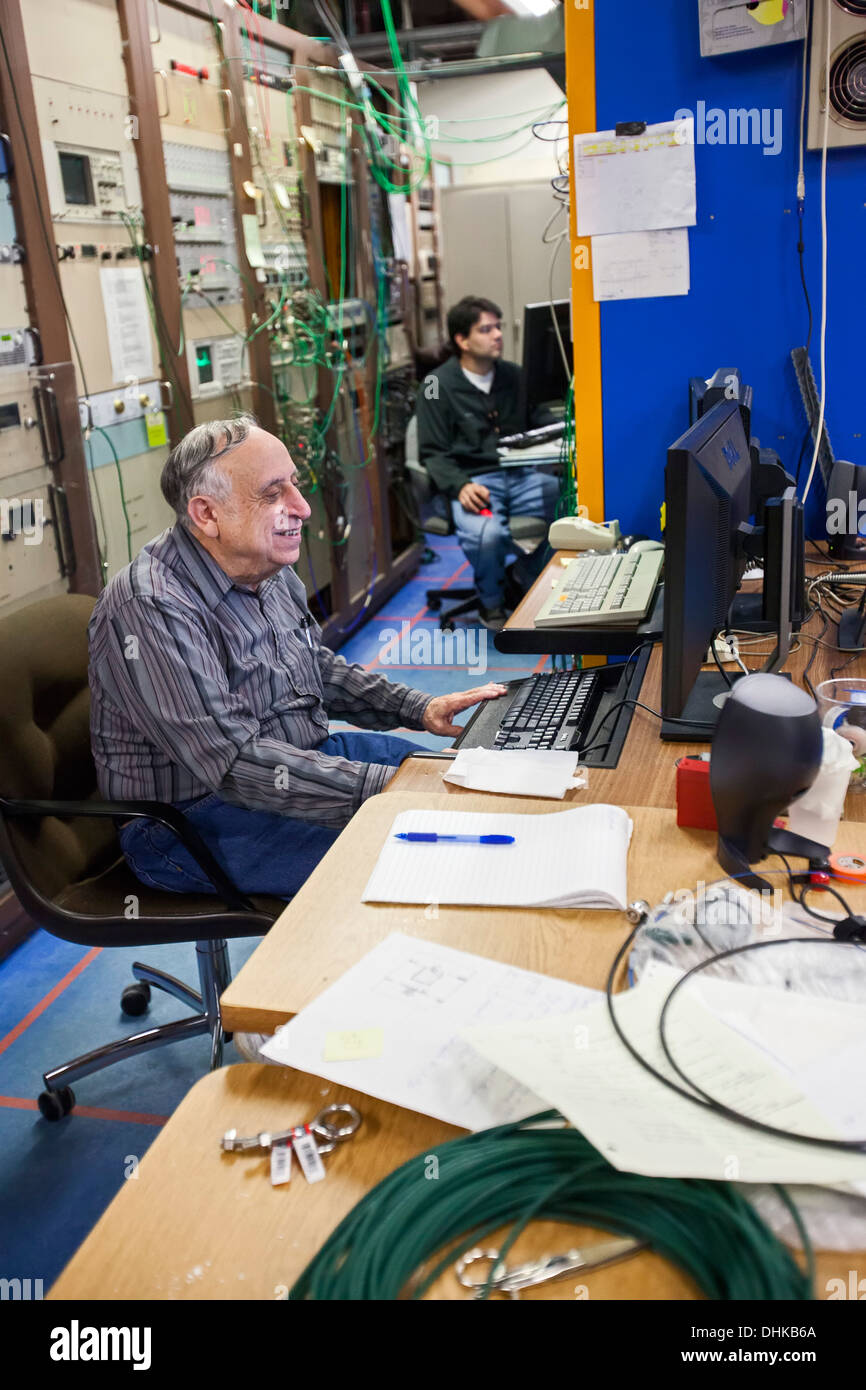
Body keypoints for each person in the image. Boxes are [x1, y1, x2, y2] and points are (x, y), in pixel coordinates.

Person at [89, 416, 507, 901]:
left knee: (462, 784)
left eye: (295, 484)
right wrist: (385, 792)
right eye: (272, 494)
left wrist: (418, 708)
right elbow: (235, 766)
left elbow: (316, 669)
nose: (302, 507)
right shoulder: (151, 606)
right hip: (192, 821)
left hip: (296, 761)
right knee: (425, 854)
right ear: (206, 514)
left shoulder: (263, 565)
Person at [414, 294, 560, 630]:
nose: (498, 335)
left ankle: (522, 572)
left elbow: (538, 421)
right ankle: (492, 603)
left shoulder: (514, 375)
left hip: (523, 477)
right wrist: (460, 486)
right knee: (488, 534)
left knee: (576, 504)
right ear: (462, 340)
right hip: (474, 482)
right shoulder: (436, 384)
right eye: (486, 329)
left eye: (498, 327)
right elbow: (432, 450)